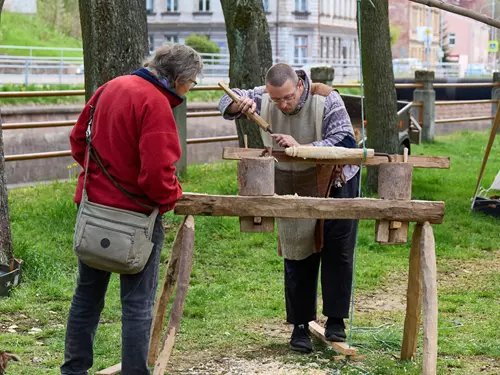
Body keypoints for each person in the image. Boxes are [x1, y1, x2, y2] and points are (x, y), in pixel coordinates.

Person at [61, 43, 203, 375]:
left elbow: (79, 139)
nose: (191, 89)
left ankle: (73, 370)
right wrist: (170, 198)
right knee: (137, 305)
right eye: (192, 82)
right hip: (135, 219)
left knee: (86, 298)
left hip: (94, 212)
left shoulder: (110, 87)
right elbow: (156, 175)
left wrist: (99, 180)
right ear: (179, 77)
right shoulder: (155, 103)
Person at [219, 63, 359, 354]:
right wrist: (236, 104)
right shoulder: (264, 95)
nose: (282, 104)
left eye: (287, 98)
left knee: (337, 248)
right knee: (297, 248)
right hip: (293, 178)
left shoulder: (327, 98)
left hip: (334, 176)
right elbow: (224, 101)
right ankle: (300, 325)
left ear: (299, 85)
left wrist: (304, 146)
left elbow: (345, 141)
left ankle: (336, 322)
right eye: (276, 99)